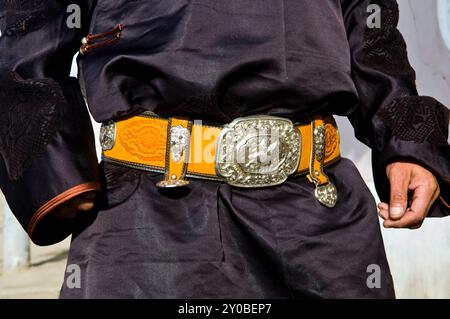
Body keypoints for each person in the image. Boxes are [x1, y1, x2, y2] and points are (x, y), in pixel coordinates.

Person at [0, 0, 448, 298]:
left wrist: (405, 138)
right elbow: (21, 35)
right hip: (149, 215)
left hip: (321, 215)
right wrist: (55, 169)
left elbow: (371, 28)